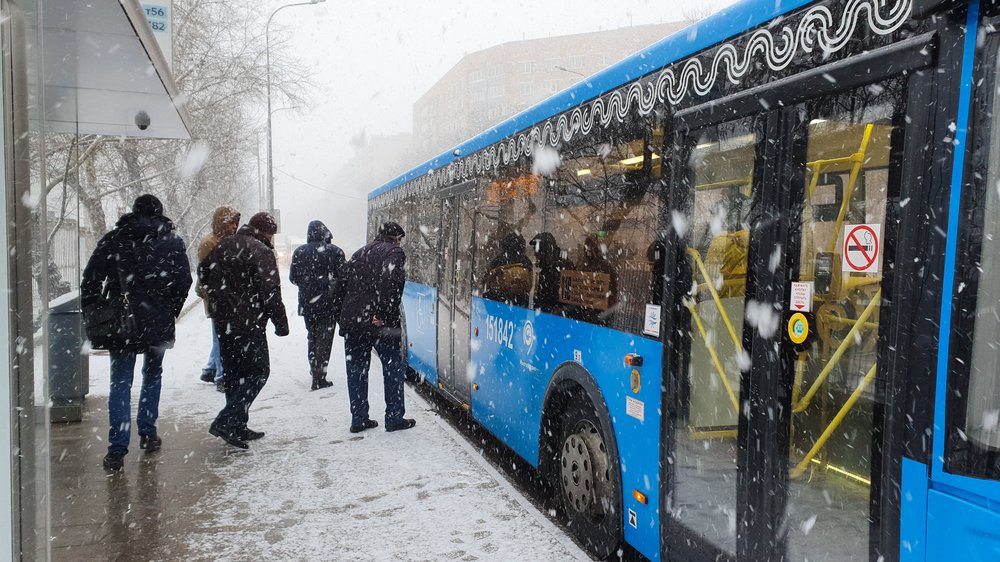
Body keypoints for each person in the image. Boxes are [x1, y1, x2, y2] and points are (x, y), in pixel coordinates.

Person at [81, 194, 192, 471]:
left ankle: (117, 449)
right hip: (157, 320)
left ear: (134, 211)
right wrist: (170, 311)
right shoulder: (172, 242)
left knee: (120, 381)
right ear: (160, 212)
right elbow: (184, 282)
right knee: (152, 375)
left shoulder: (115, 239)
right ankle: (148, 432)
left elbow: (91, 278)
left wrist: (97, 310)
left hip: (123, 322)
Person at [199, 212, 289, 449]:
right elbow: (270, 292)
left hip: (224, 323)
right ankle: (227, 420)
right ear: (264, 231)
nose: (272, 237)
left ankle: (238, 425)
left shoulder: (224, 245)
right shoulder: (260, 251)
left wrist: (220, 301)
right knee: (259, 371)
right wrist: (281, 323)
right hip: (249, 324)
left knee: (233, 375)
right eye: (271, 232)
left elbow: (203, 274)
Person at [339, 221, 415, 433]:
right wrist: (382, 313)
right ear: (396, 238)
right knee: (392, 367)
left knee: (356, 370)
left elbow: (340, 285)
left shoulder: (359, 253)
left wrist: (345, 316)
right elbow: (391, 282)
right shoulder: (394, 253)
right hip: (380, 323)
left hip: (354, 322)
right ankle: (394, 417)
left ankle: (359, 418)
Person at [289, 220, 345, 391]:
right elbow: (344, 277)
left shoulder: (299, 252)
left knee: (312, 337)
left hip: (308, 305)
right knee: (325, 340)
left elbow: (293, 278)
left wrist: (308, 285)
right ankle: (320, 376)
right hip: (329, 304)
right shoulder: (335, 251)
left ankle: (315, 370)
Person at [196, 206, 240, 392]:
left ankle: (211, 369)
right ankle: (222, 376)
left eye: (236, 222)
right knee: (221, 337)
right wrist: (213, 296)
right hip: (217, 297)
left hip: (227, 296)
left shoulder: (228, 240)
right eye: (231, 222)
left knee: (221, 335)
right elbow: (205, 274)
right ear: (222, 222)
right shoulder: (209, 243)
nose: (235, 226)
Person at [482, 232, 533, 307]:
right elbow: (529, 286)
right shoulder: (526, 262)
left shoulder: (498, 260)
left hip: (498, 304)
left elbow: (486, 281)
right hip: (520, 306)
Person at [529, 232, 574, 313]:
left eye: (537, 250)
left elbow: (560, 297)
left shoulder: (556, 267)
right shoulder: (550, 266)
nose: (535, 254)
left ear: (544, 251)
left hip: (555, 317)